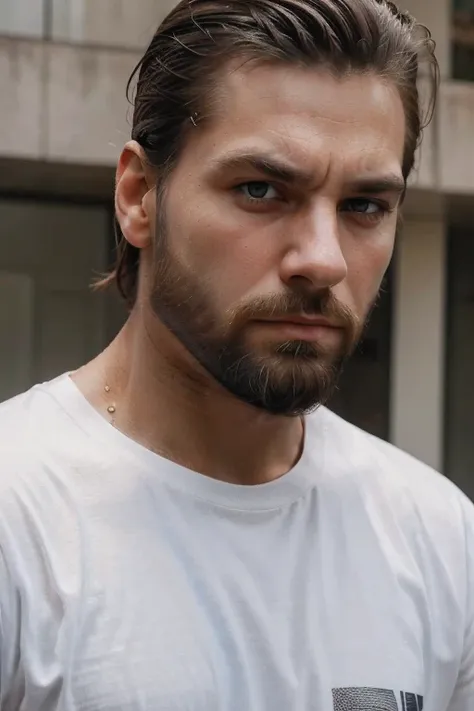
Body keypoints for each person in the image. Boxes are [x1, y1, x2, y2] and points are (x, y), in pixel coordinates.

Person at [0, 1, 472, 709]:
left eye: (365, 206)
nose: (323, 261)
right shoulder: (18, 519)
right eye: (261, 190)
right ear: (138, 196)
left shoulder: (439, 536)